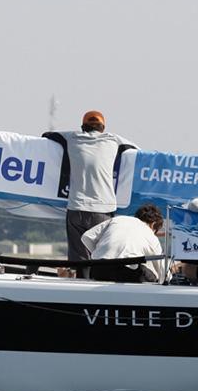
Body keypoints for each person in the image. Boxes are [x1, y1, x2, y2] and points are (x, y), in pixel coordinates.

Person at [43, 111, 137, 277]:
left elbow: (47, 135)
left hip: (76, 209)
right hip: (103, 210)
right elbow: (135, 150)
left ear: (82, 127)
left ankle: (81, 289)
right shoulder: (114, 140)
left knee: (80, 261)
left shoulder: (71, 137)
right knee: (102, 257)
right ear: (103, 128)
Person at [80, 204, 167, 283]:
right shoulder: (150, 234)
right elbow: (161, 266)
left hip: (98, 269)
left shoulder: (118, 219)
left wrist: (99, 253)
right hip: (126, 272)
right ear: (153, 224)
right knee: (152, 275)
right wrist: (168, 279)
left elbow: (87, 237)